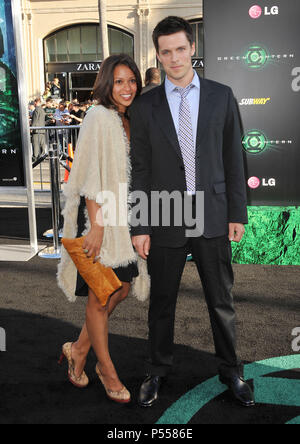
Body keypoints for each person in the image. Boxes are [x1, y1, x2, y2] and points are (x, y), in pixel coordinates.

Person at [130, 16, 255, 408]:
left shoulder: (221, 95)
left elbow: (235, 157)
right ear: (159, 56)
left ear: (191, 49)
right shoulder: (145, 104)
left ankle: (232, 369)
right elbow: (142, 169)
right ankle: (157, 370)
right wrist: (140, 223)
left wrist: (238, 212)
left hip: (213, 213)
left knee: (220, 299)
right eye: (165, 52)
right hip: (165, 215)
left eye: (180, 49)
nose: (174, 58)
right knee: (162, 301)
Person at [57, 54, 146, 404]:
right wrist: (95, 227)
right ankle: (105, 370)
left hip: (124, 219)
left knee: (120, 289)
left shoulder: (128, 118)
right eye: (120, 81)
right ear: (107, 84)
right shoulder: (97, 116)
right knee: (101, 296)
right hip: (103, 219)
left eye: (132, 81)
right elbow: (91, 172)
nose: (127, 88)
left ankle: (78, 349)